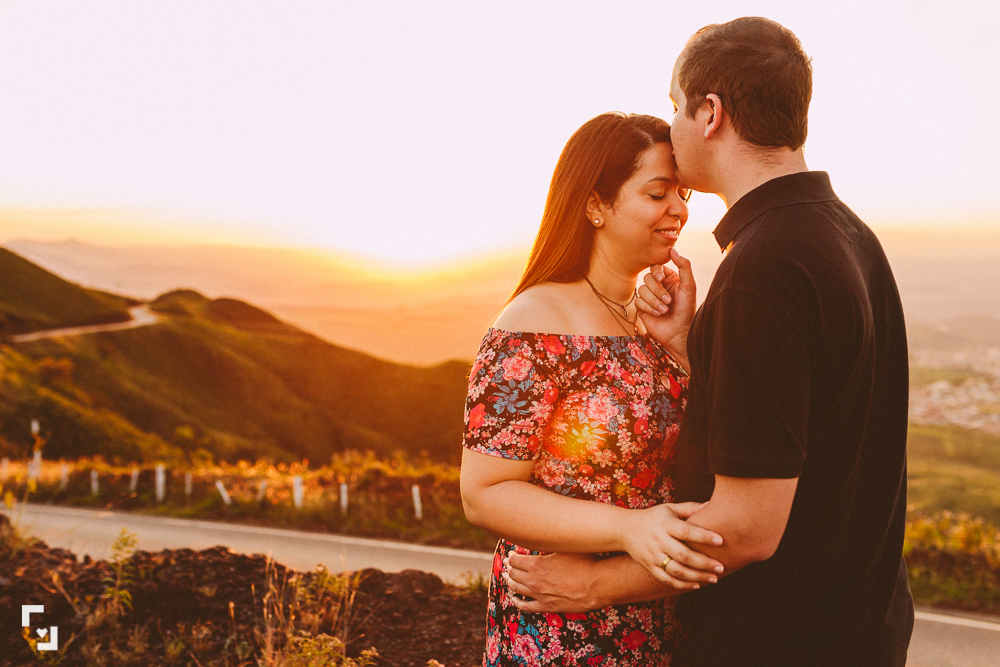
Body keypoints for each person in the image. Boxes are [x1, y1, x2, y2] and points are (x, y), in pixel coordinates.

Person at [505, 17, 915, 666]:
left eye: (674, 106)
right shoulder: (846, 234)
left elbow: (748, 526)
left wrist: (594, 583)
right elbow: (798, 415)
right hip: (862, 630)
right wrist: (693, 348)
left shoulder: (766, 269)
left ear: (711, 114)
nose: (671, 125)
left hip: (782, 644)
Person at [460, 112, 727, 666]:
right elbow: (484, 492)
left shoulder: (648, 319)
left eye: (680, 193)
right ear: (596, 205)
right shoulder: (533, 323)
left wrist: (680, 345)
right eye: (657, 193)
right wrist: (628, 528)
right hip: (561, 626)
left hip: (656, 614)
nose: (678, 209)